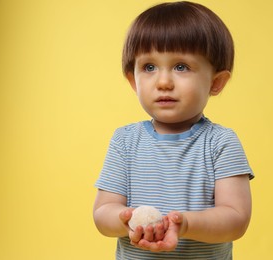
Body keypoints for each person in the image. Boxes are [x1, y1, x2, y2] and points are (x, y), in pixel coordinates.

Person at [93, 1, 254, 259]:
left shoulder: (221, 143)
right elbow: (102, 213)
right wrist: (128, 219)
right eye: (149, 67)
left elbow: (236, 218)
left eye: (181, 67)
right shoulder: (125, 141)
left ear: (216, 82)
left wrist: (184, 224)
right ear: (133, 81)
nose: (164, 82)